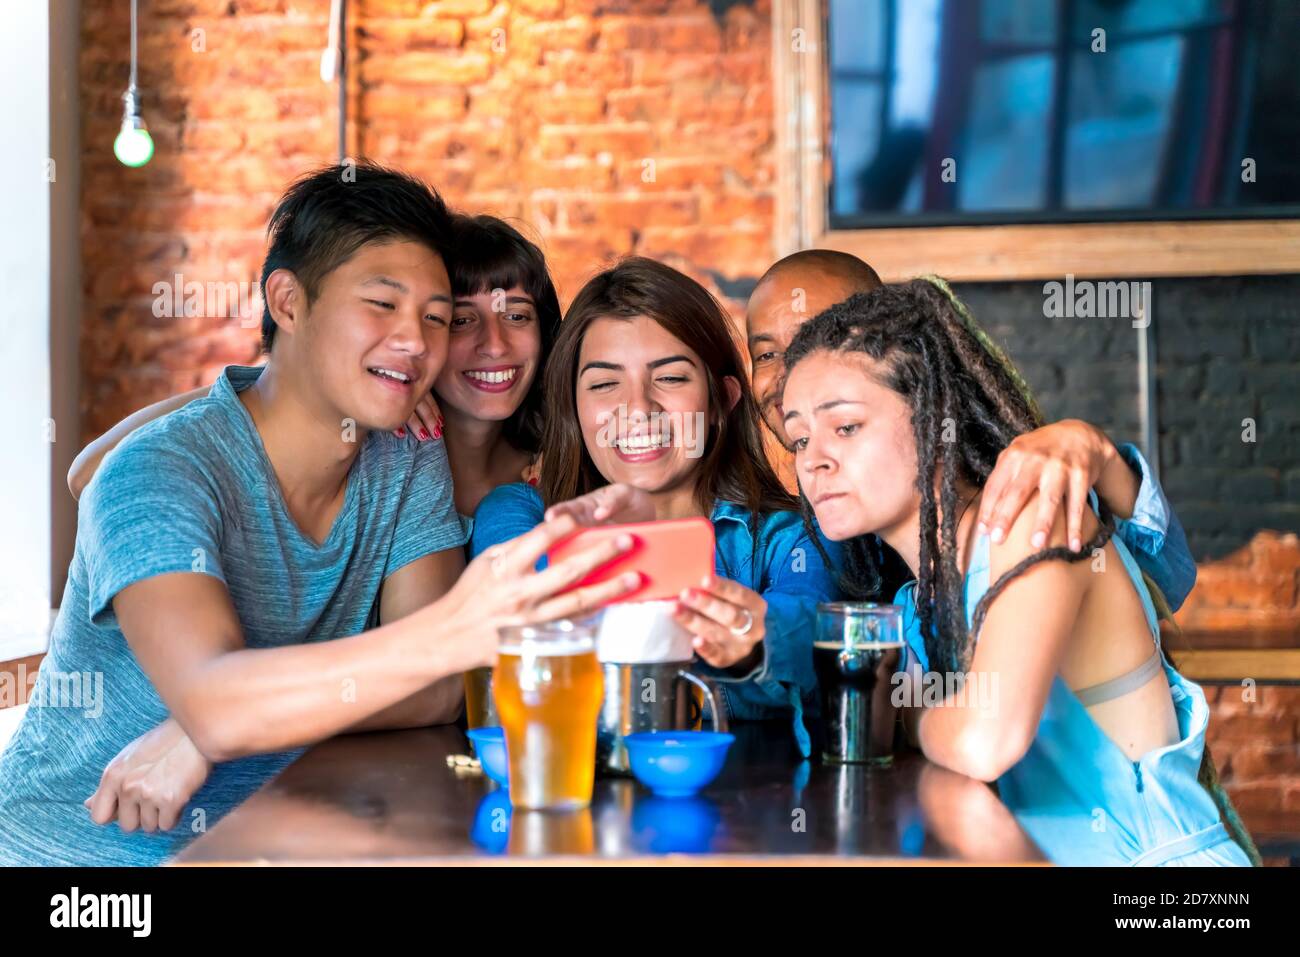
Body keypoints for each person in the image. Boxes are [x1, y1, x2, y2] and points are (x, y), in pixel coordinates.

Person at [0, 164, 637, 865]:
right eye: (383, 304)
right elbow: (220, 696)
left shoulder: (405, 456)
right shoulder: (162, 471)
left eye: (433, 316)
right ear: (289, 301)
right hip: (78, 866)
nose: (417, 341)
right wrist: (462, 625)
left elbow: (431, 689)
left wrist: (226, 719)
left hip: (274, 843)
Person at [781, 278, 1256, 866]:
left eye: (845, 427)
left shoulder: (1030, 515)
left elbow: (986, 740)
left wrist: (908, 715)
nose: (813, 459)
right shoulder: (914, 603)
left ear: (937, 417)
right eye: (797, 437)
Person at [470, 258, 839, 754]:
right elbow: (518, 623)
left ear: (722, 401)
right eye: (604, 385)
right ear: (573, 410)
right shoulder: (519, 513)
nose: (637, 409)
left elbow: (813, 634)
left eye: (670, 378)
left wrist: (753, 646)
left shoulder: (792, 534)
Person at [746, 250, 1198, 612]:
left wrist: (1100, 456)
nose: (790, 374)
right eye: (765, 355)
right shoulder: (808, 517)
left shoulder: (1011, 499)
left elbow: (1163, 585)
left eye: (820, 338)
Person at [67, 214, 561, 519]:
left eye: (517, 316)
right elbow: (89, 475)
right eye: (456, 320)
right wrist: (271, 387)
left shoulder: (559, 463)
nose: (494, 344)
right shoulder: (362, 444)